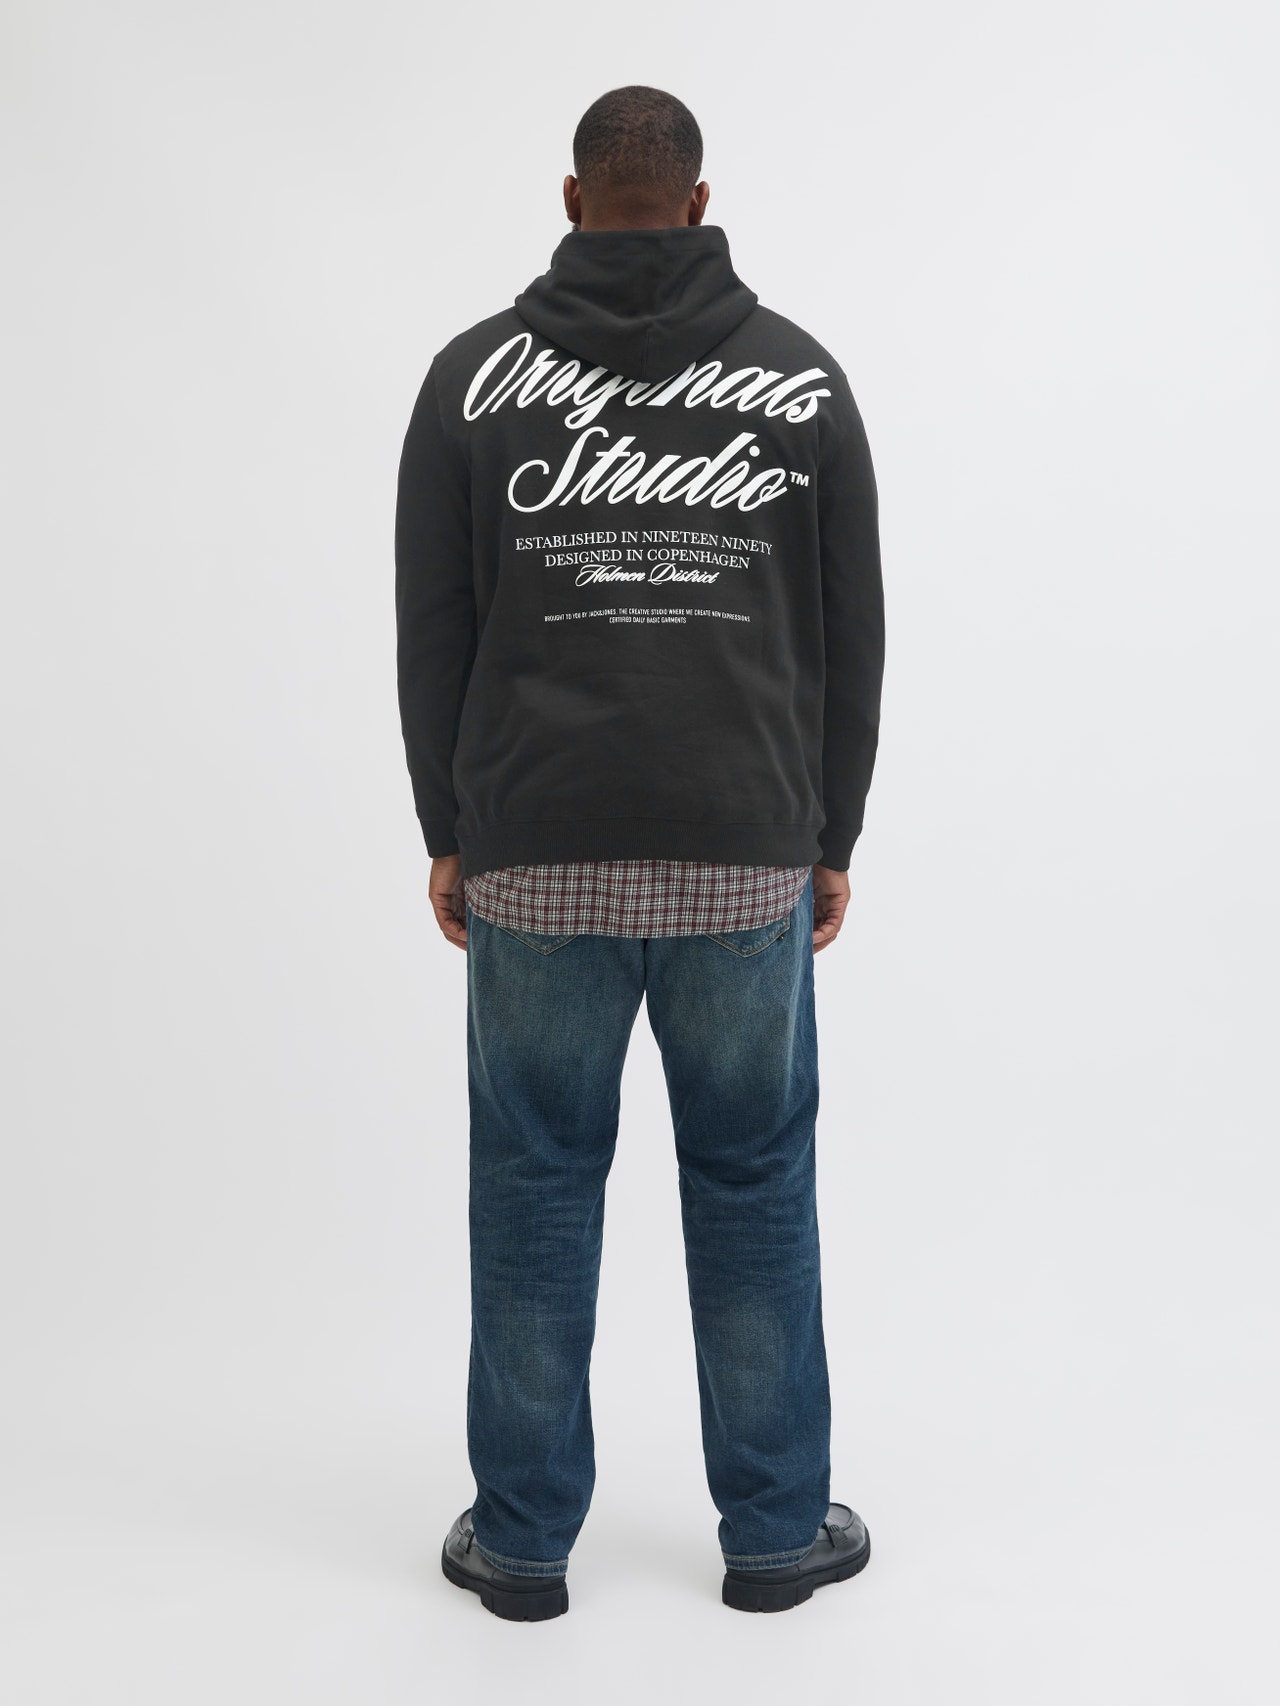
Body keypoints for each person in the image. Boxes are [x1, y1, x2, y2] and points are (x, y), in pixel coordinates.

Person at [394, 84, 885, 1620]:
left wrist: (450, 831)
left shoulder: (473, 383)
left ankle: (522, 1543)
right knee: (753, 1177)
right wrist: (830, 830)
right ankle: (777, 1532)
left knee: (534, 1182)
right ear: (698, 203)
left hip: (537, 848)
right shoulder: (800, 382)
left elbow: (433, 629)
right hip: (743, 845)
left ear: (570, 201)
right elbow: (853, 632)